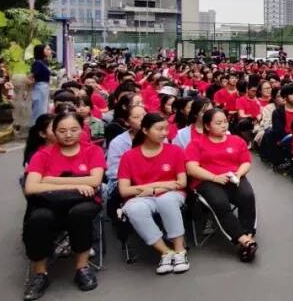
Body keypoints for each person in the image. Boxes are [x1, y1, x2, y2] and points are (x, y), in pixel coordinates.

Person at [21, 111, 105, 300]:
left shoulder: (93, 151)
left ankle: (82, 268)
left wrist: (49, 180)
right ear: (54, 132)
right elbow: (31, 187)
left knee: (80, 214)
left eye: (74, 130)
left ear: (82, 130)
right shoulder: (43, 155)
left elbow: (95, 180)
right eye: (62, 130)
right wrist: (77, 183)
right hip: (49, 204)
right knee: (39, 219)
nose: (68, 135)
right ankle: (40, 274)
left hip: (84, 202)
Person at [117, 113, 190, 274]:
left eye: (166, 129)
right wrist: (158, 186)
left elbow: (181, 183)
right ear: (145, 130)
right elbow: (124, 190)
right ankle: (165, 252)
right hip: (143, 197)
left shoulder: (175, 151)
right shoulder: (129, 156)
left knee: (166, 201)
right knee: (134, 209)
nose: (164, 133)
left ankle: (179, 250)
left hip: (171, 194)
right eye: (159, 129)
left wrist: (155, 190)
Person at [185, 108, 258, 262]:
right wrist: (214, 177)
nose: (224, 125)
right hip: (207, 180)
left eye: (225, 121)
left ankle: (248, 235)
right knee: (220, 202)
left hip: (233, 178)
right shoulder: (196, 143)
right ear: (207, 126)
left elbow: (246, 162)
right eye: (218, 123)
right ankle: (243, 240)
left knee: (247, 196)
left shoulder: (237, 141)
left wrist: (238, 174)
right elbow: (191, 168)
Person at [105, 105, 147, 197]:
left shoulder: (159, 138)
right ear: (127, 122)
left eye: (144, 115)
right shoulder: (118, 142)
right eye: (136, 117)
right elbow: (113, 171)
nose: (142, 119)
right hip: (125, 182)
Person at [30, 44, 54, 120]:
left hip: (45, 87)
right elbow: (31, 76)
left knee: (44, 108)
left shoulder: (44, 62)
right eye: (47, 49)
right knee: (39, 109)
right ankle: (35, 127)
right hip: (39, 87)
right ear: (41, 51)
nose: (50, 51)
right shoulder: (38, 63)